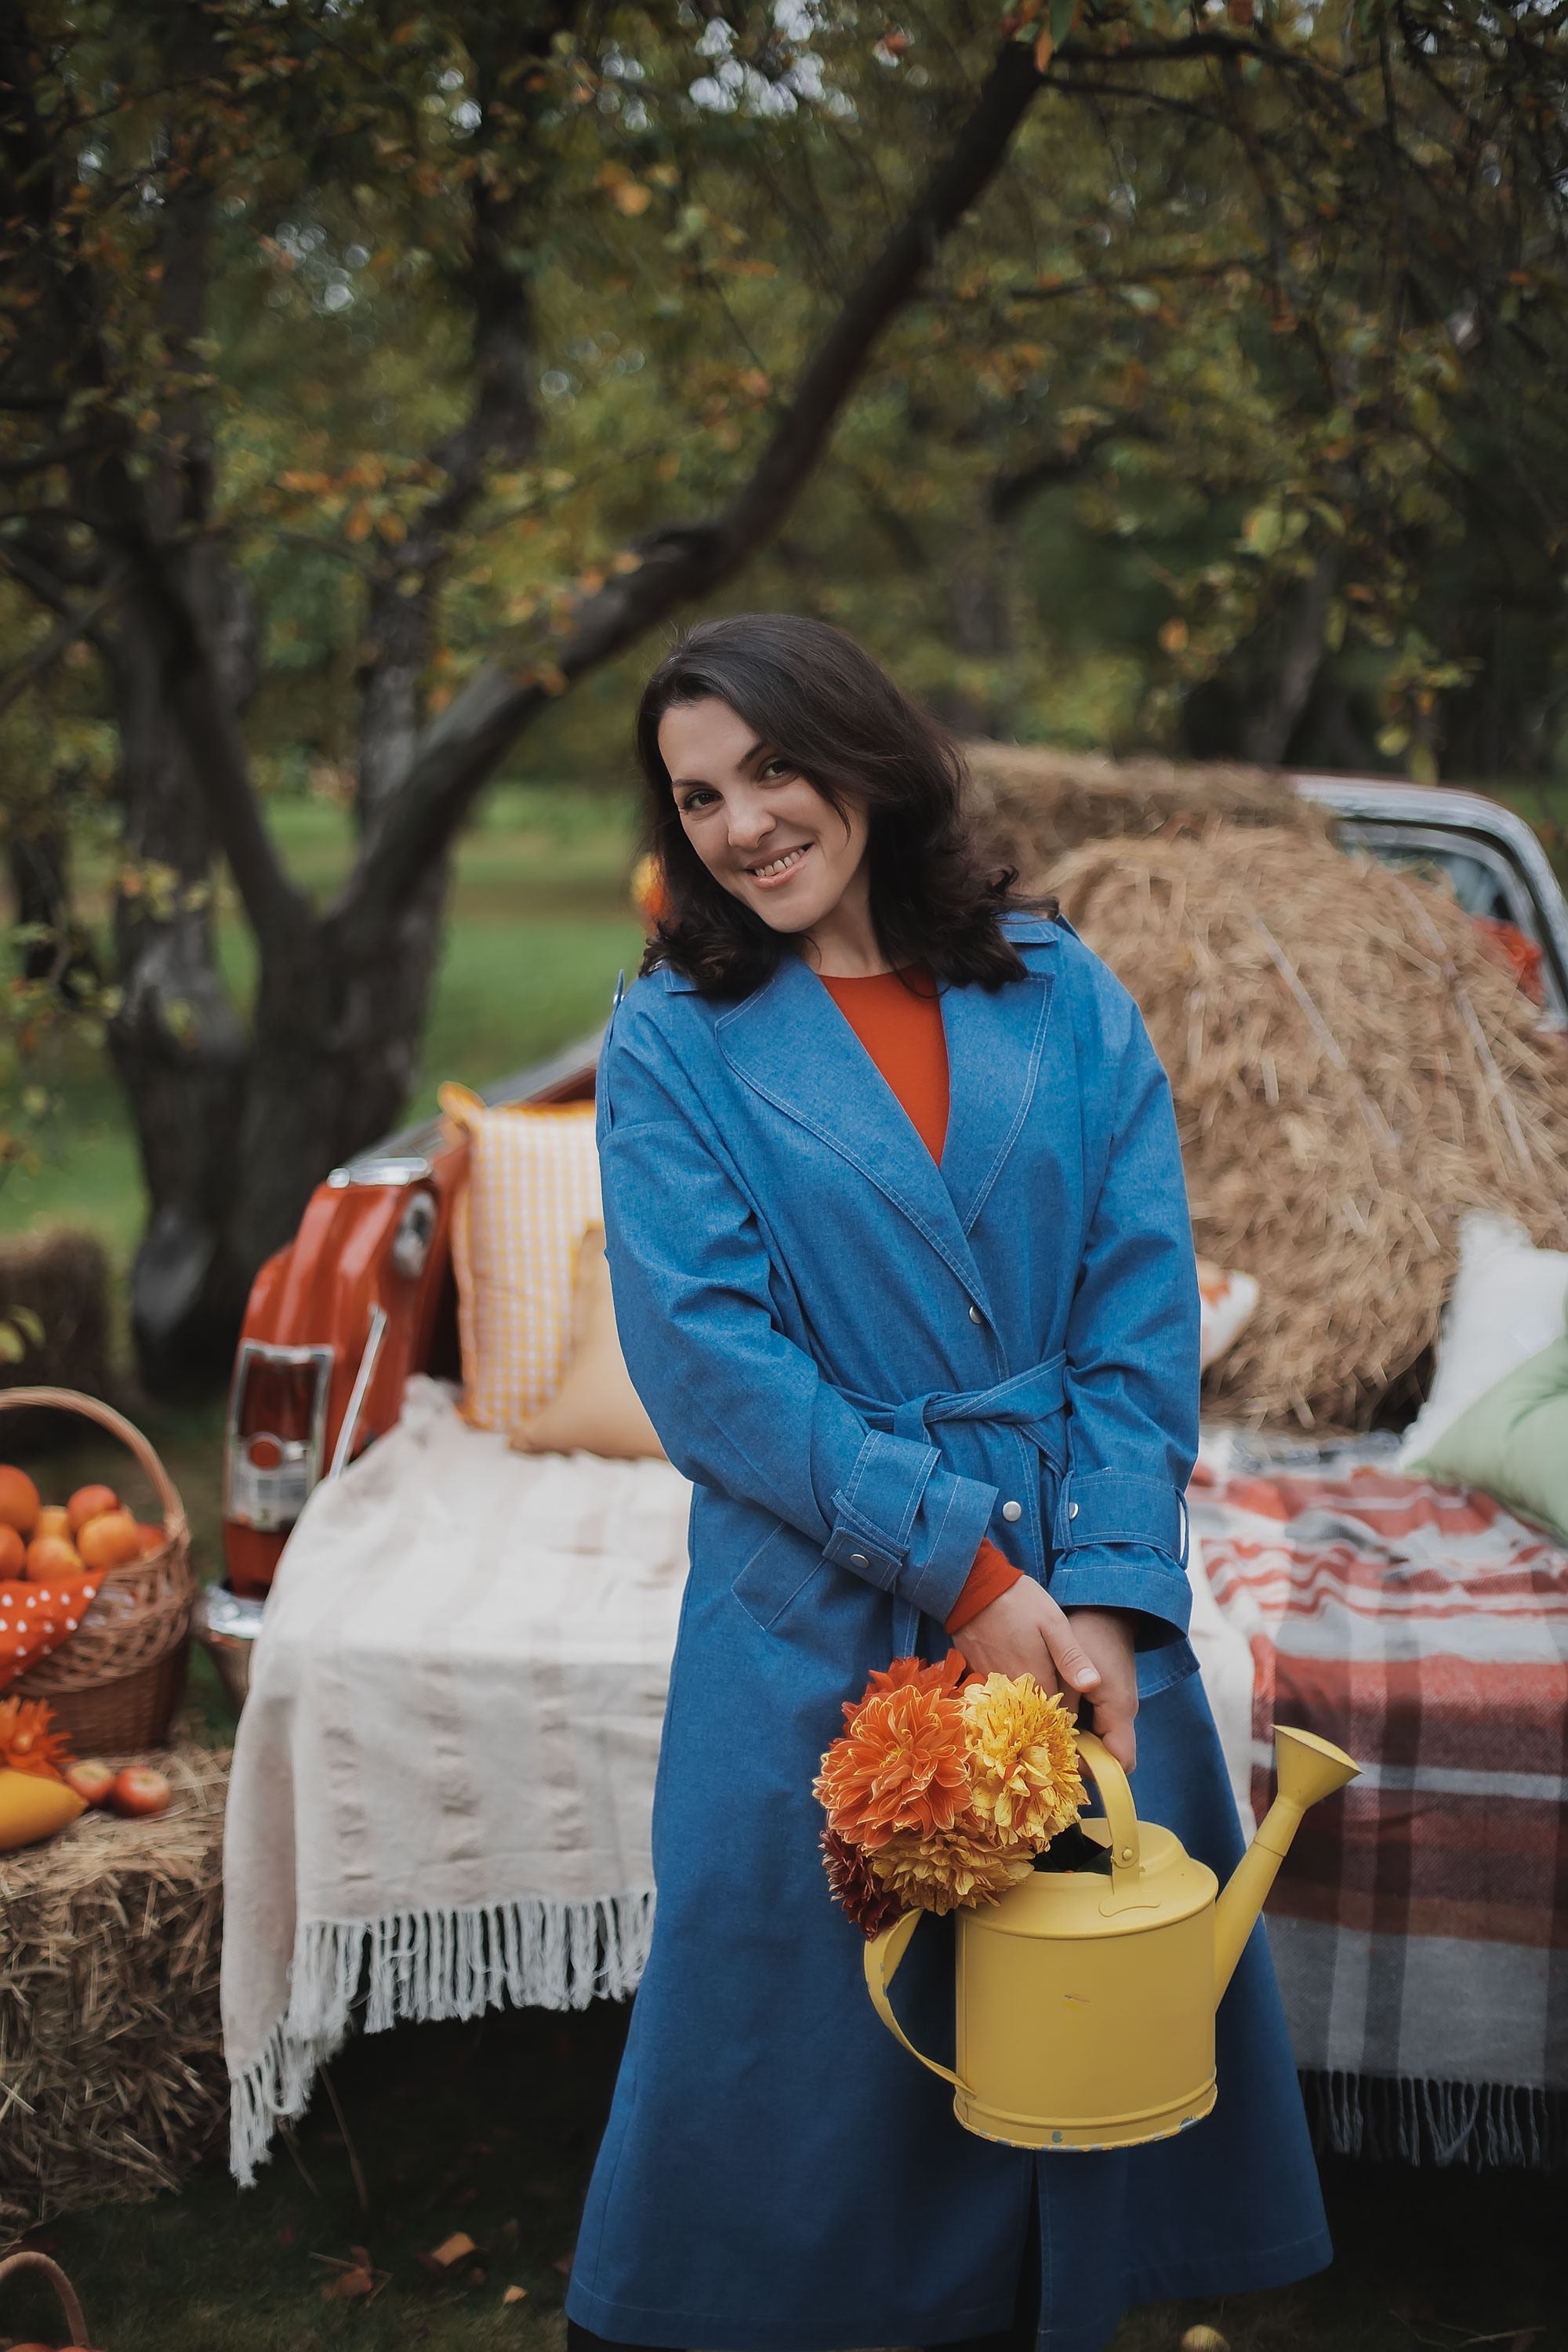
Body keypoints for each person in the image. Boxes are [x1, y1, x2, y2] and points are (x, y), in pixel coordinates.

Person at [564, 615, 1329, 2352]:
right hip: (813, 1599)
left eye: (772, 768)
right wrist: (973, 1582)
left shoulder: (1063, 992)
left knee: (1074, 1992)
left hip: (1084, 1585)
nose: (742, 822)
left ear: (867, 756)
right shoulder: (674, 1040)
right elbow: (711, 1366)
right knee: (798, 2043)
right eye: (697, 796)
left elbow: (1141, 1311)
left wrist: (1116, 1600)